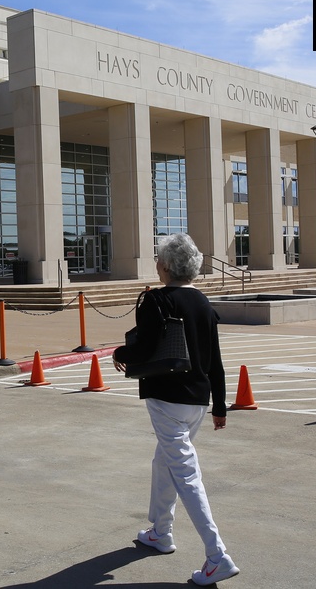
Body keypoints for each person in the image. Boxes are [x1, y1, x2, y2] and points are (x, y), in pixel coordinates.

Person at [112, 232, 239, 586]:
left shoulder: (157, 301)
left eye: (158, 259)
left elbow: (144, 347)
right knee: (164, 461)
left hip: (167, 396)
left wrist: (118, 354)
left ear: (166, 266)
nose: (156, 264)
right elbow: (215, 360)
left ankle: (217, 555)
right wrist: (220, 406)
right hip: (197, 400)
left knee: (186, 473)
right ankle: (160, 531)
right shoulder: (202, 303)